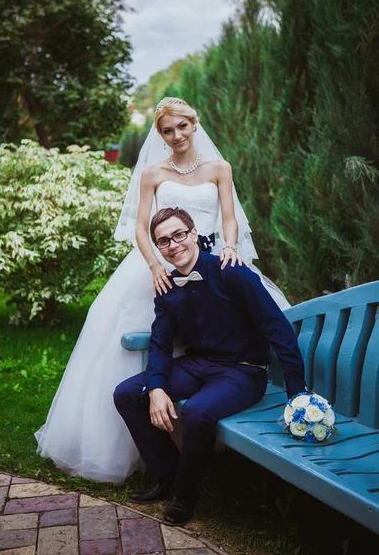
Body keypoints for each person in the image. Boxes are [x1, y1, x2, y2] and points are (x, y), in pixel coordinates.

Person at [35, 97, 290, 483]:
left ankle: (203, 427)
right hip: (162, 260)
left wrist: (231, 250)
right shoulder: (153, 173)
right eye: (167, 131)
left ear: (194, 124)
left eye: (182, 127)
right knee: (150, 344)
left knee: (220, 333)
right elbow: (141, 226)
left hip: (210, 258)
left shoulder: (220, 168)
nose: (176, 136)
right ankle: (142, 450)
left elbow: (229, 217)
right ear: (160, 134)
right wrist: (156, 265)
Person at [114, 207, 306, 526]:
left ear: (194, 235)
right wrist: (157, 387)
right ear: (158, 249)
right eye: (163, 241)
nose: (173, 245)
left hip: (242, 370)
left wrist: (297, 393)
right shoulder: (167, 287)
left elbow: (277, 327)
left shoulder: (231, 271)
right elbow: (160, 343)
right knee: (129, 393)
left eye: (179, 235)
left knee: (198, 412)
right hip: (197, 364)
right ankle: (165, 474)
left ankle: (184, 495)